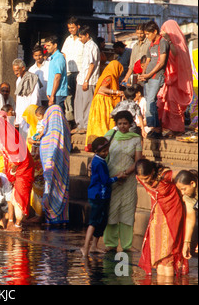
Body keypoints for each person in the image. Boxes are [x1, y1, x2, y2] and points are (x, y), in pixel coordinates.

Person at [135, 159, 189, 277]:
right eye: (142, 179)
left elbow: (185, 175)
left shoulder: (165, 175)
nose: (145, 181)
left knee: (168, 257)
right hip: (156, 215)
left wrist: (185, 194)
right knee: (158, 256)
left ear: (153, 171)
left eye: (147, 178)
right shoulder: (139, 177)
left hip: (172, 214)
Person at [103, 110, 143, 252]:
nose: (122, 126)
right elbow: (101, 154)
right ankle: (110, 243)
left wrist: (125, 173)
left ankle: (127, 244)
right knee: (111, 210)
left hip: (128, 179)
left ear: (130, 123)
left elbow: (138, 161)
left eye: (125, 123)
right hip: (112, 179)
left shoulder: (136, 139)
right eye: (119, 123)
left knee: (128, 209)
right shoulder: (109, 136)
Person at [81, 137, 125, 256]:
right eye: (103, 152)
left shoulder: (99, 160)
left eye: (106, 150)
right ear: (96, 151)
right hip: (97, 195)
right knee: (94, 221)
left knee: (102, 221)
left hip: (103, 195)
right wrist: (118, 177)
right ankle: (85, 247)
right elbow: (105, 181)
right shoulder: (98, 162)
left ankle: (94, 245)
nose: (106, 153)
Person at [0, 113, 35, 231]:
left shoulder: (8, 137)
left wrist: (12, 169)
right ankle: (17, 222)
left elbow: (16, 158)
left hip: (23, 169)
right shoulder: (7, 135)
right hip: (22, 168)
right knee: (16, 195)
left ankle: (18, 225)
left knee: (20, 195)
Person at [157, 20, 194, 137]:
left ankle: (177, 129)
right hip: (167, 80)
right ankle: (169, 127)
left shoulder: (179, 45)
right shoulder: (166, 43)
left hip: (177, 81)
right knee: (163, 103)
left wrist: (168, 40)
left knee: (174, 105)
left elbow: (175, 54)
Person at [39, 105, 71, 225]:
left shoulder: (48, 134)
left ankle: (50, 217)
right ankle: (61, 218)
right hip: (61, 170)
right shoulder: (65, 130)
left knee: (51, 187)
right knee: (60, 188)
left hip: (50, 168)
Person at [138, 21, 170, 139]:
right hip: (148, 78)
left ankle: (154, 127)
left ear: (154, 32)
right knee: (149, 102)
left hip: (156, 77)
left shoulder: (163, 43)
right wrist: (143, 73)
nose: (146, 37)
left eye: (147, 34)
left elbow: (161, 63)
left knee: (151, 100)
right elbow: (148, 60)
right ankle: (155, 128)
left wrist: (149, 74)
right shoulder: (151, 44)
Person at [84, 60, 123, 152]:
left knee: (98, 122)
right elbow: (102, 89)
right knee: (103, 122)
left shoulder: (106, 74)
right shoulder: (109, 76)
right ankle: (102, 144)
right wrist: (116, 92)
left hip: (100, 101)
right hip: (102, 102)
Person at [73, 25, 100, 134]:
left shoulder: (92, 46)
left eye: (81, 37)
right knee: (78, 103)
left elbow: (91, 65)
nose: (80, 39)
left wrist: (86, 80)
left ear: (87, 35)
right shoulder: (86, 46)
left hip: (88, 80)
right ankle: (80, 125)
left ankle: (85, 125)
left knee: (86, 104)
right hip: (81, 79)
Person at [22, 104, 45, 223]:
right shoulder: (34, 128)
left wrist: (33, 140)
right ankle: (35, 212)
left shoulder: (42, 128)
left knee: (39, 187)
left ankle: (39, 214)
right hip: (33, 159)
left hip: (40, 161)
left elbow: (38, 141)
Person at [61, 17, 84, 125]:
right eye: (69, 28)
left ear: (78, 27)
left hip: (80, 72)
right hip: (69, 72)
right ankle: (71, 120)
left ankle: (80, 120)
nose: (71, 30)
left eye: (72, 27)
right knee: (69, 97)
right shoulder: (68, 39)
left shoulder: (83, 39)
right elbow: (64, 54)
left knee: (79, 98)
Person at [12, 58, 41, 138]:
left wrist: (30, 111)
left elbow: (35, 97)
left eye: (17, 70)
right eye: (14, 71)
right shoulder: (18, 80)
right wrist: (17, 116)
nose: (15, 73)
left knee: (32, 133)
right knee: (23, 134)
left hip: (31, 111)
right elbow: (18, 99)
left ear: (23, 68)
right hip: (21, 112)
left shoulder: (33, 79)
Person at [174, 170, 198, 259]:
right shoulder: (188, 196)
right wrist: (186, 243)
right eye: (180, 190)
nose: (182, 193)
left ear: (193, 183)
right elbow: (190, 218)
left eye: (184, 189)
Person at [45, 35, 68, 111]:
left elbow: (58, 77)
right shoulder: (52, 58)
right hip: (53, 94)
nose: (47, 47)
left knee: (58, 117)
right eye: (46, 45)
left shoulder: (59, 57)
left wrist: (52, 95)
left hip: (57, 94)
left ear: (55, 45)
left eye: (49, 45)